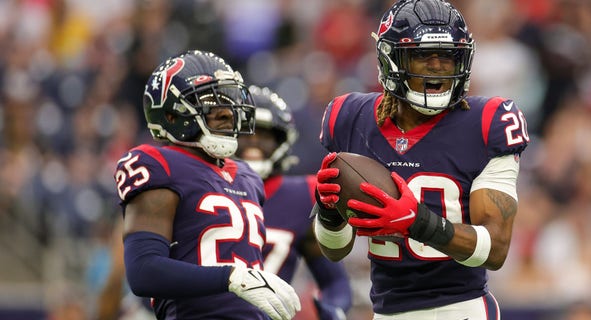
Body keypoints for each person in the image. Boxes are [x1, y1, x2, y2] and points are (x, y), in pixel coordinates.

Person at [311, 1, 530, 319]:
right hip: (385, 312)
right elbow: (334, 250)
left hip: (460, 309)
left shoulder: (488, 122)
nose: (438, 66)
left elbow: (495, 249)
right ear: (390, 59)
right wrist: (329, 212)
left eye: (447, 55)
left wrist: (417, 223)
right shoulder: (349, 118)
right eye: (423, 55)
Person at [113, 50, 300, 320]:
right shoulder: (158, 163)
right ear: (173, 116)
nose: (227, 112)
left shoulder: (247, 176)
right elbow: (143, 271)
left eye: (229, 100)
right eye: (211, 102)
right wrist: (232, 276)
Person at [235, 85, 353, 320]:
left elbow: (334, 281)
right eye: (246, 133)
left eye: (265, 135)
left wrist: (333, 308)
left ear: (282, 141)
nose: (254, 143)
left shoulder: (301, 196)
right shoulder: (201, 185)